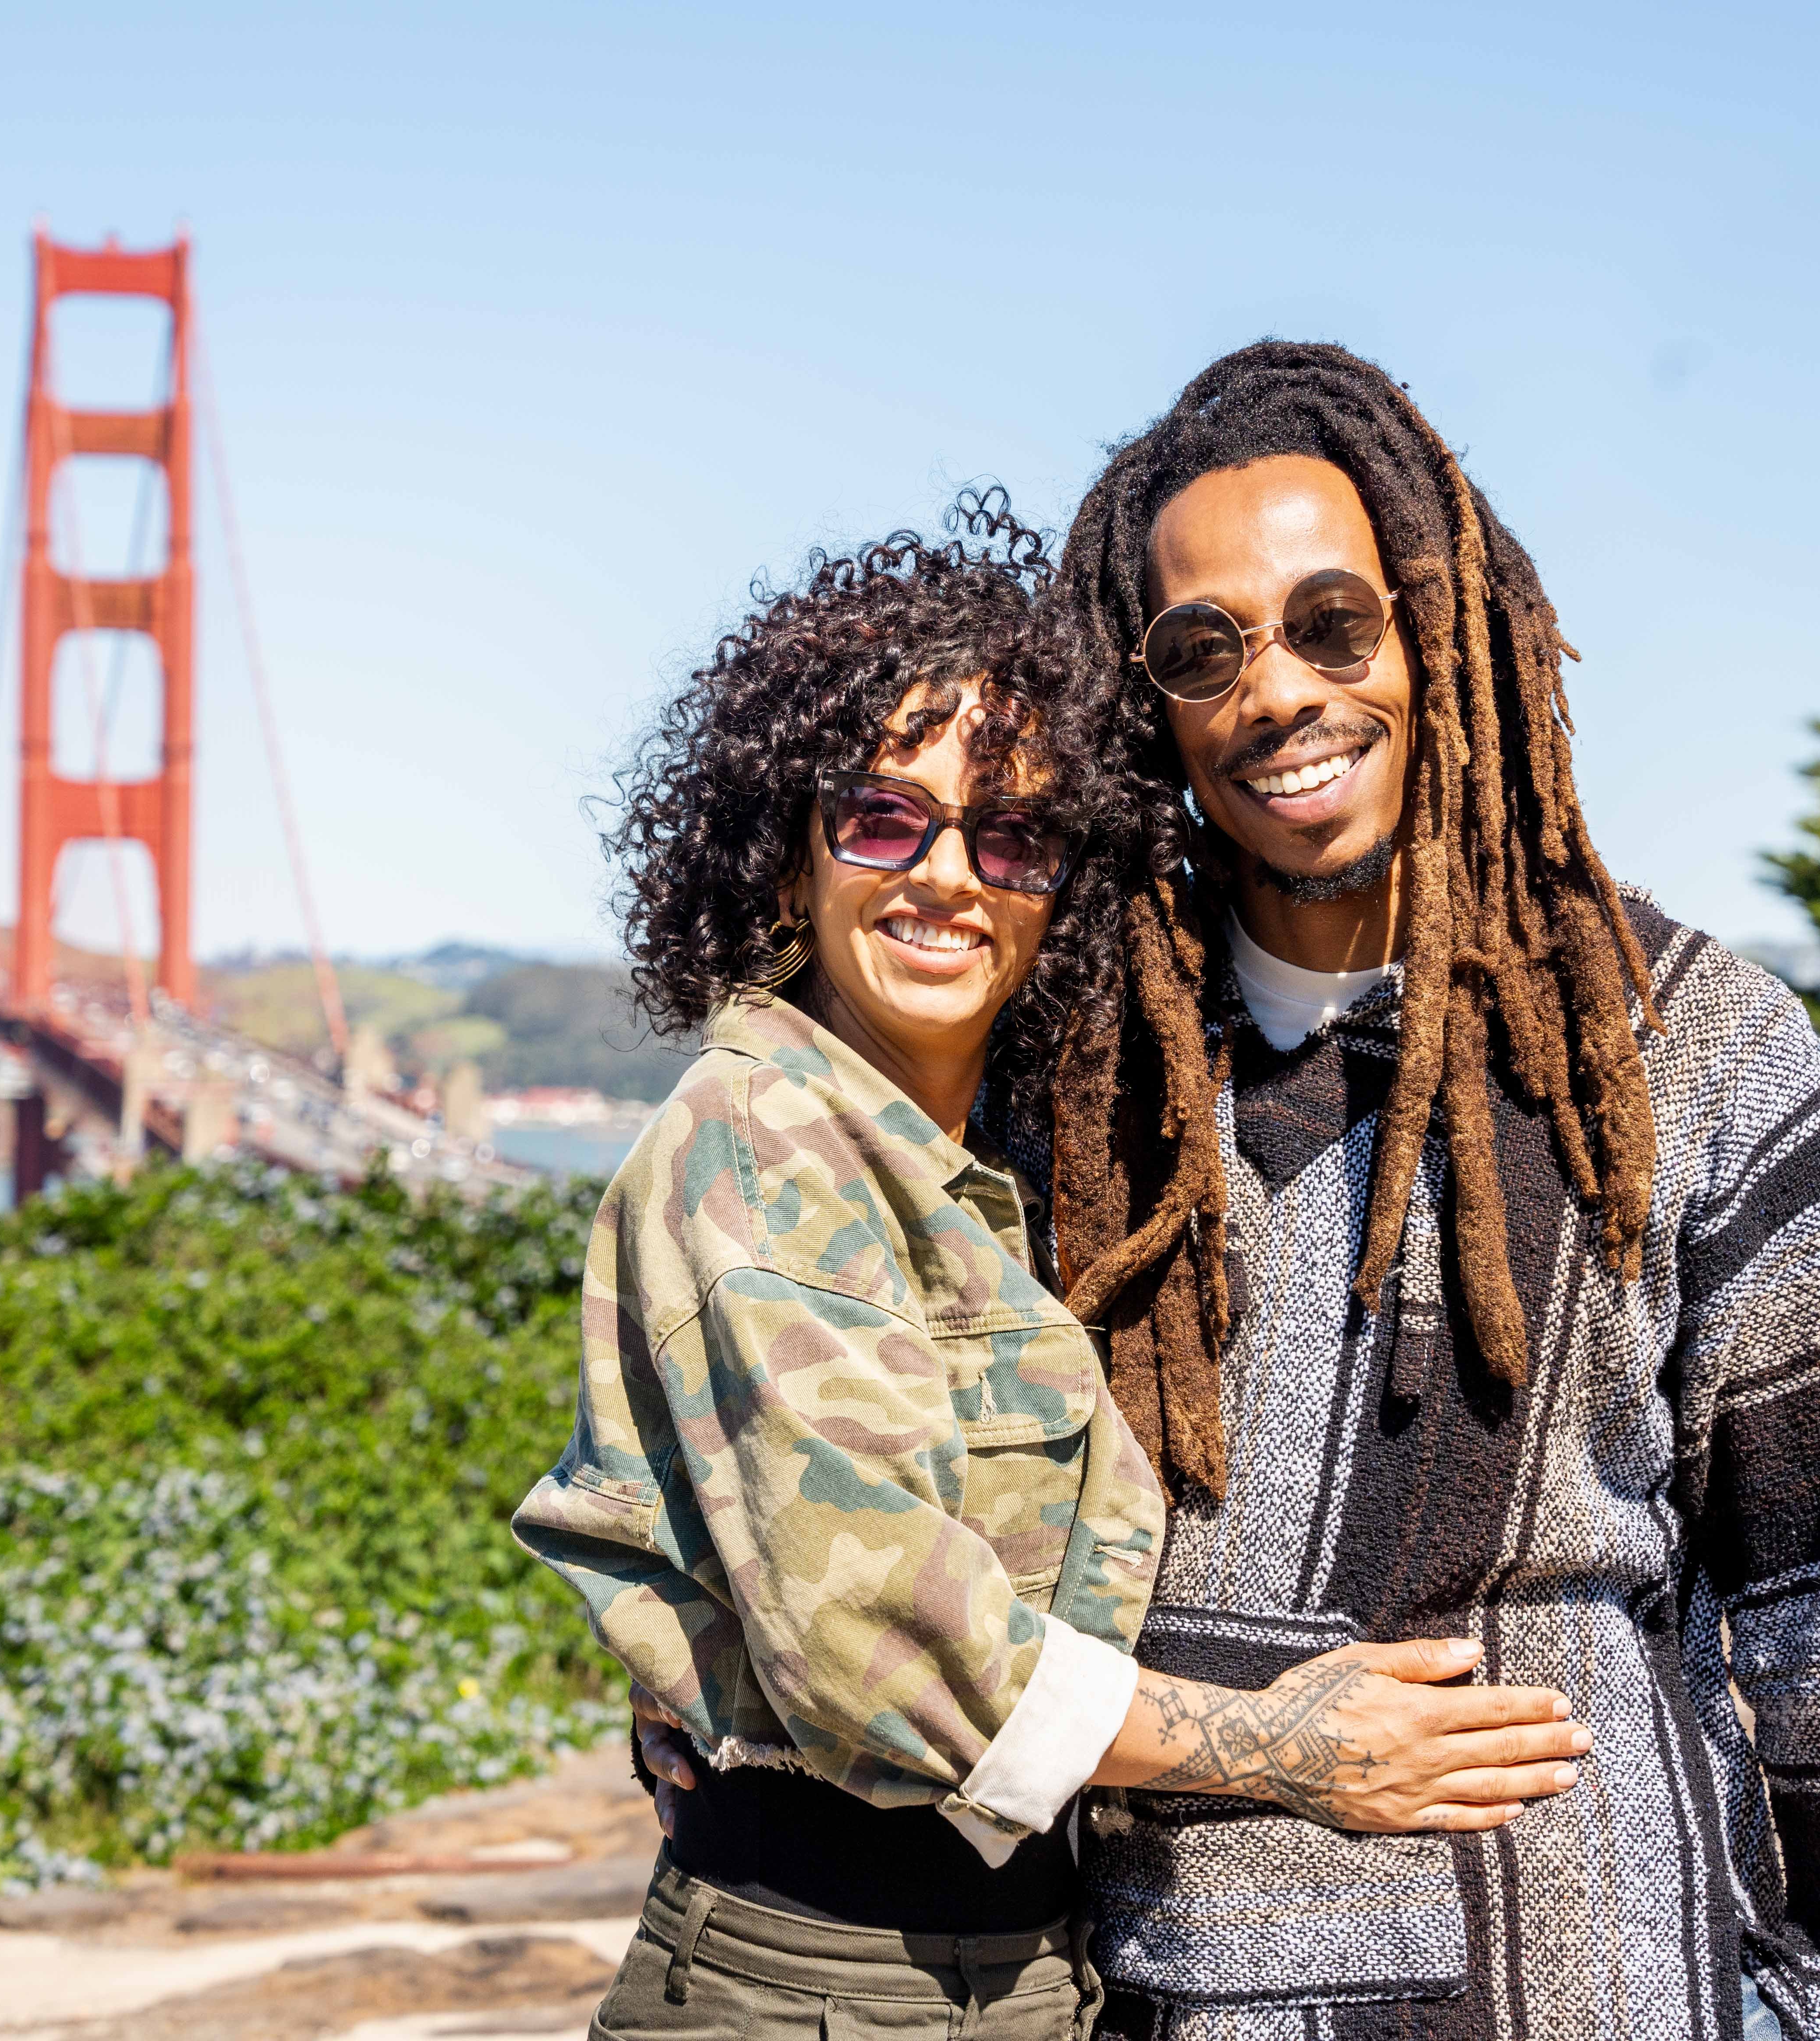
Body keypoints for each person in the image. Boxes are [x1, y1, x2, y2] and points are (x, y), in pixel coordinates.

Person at [1046, 342, 1820, 2041]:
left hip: (1594, 1984)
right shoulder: (1070, 1092)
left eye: (1333, 622)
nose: (1276, 688)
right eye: (1202, 649)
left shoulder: (1686, 1047)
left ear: (1442, 633)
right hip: (1156, 1992)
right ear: (1147, 704)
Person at [515, 500, 1592, 2041]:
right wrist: (1293, 1752)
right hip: (829, 1985)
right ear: (781, 851)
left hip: (1018, 1969)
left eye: (1012, 834)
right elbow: (875, 1636)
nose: (950, 874)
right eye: (883, 818)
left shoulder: (988, 1162)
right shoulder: (764, 1149)